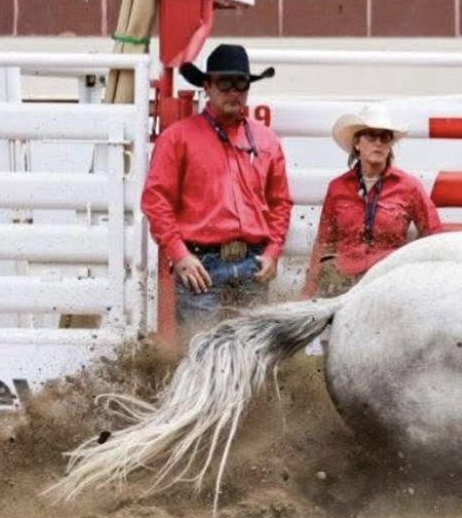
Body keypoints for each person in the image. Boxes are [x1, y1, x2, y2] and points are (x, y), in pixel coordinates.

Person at [142, 44, 293, 331]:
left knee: (252, 356)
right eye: (225, 83)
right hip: (200, 265)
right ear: (207, 86)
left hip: (254, 264)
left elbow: (280, 202)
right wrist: (180, 254)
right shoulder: (177, 139)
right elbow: (156, 200)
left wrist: (273, 251)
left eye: (242, 84)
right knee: (202, 356)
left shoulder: (267, 141)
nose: (234, 92)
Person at [302, 103, 441, 298]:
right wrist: (309, 290)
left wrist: (418, 272)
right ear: (357, 144)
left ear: (389, 145)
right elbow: (325, 242)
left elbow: (432, 233)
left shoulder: (409, 186)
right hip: (343, 277)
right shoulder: (337, 187)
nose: (378, 143)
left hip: (388, 279)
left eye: (384, 137)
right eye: (371, 136)